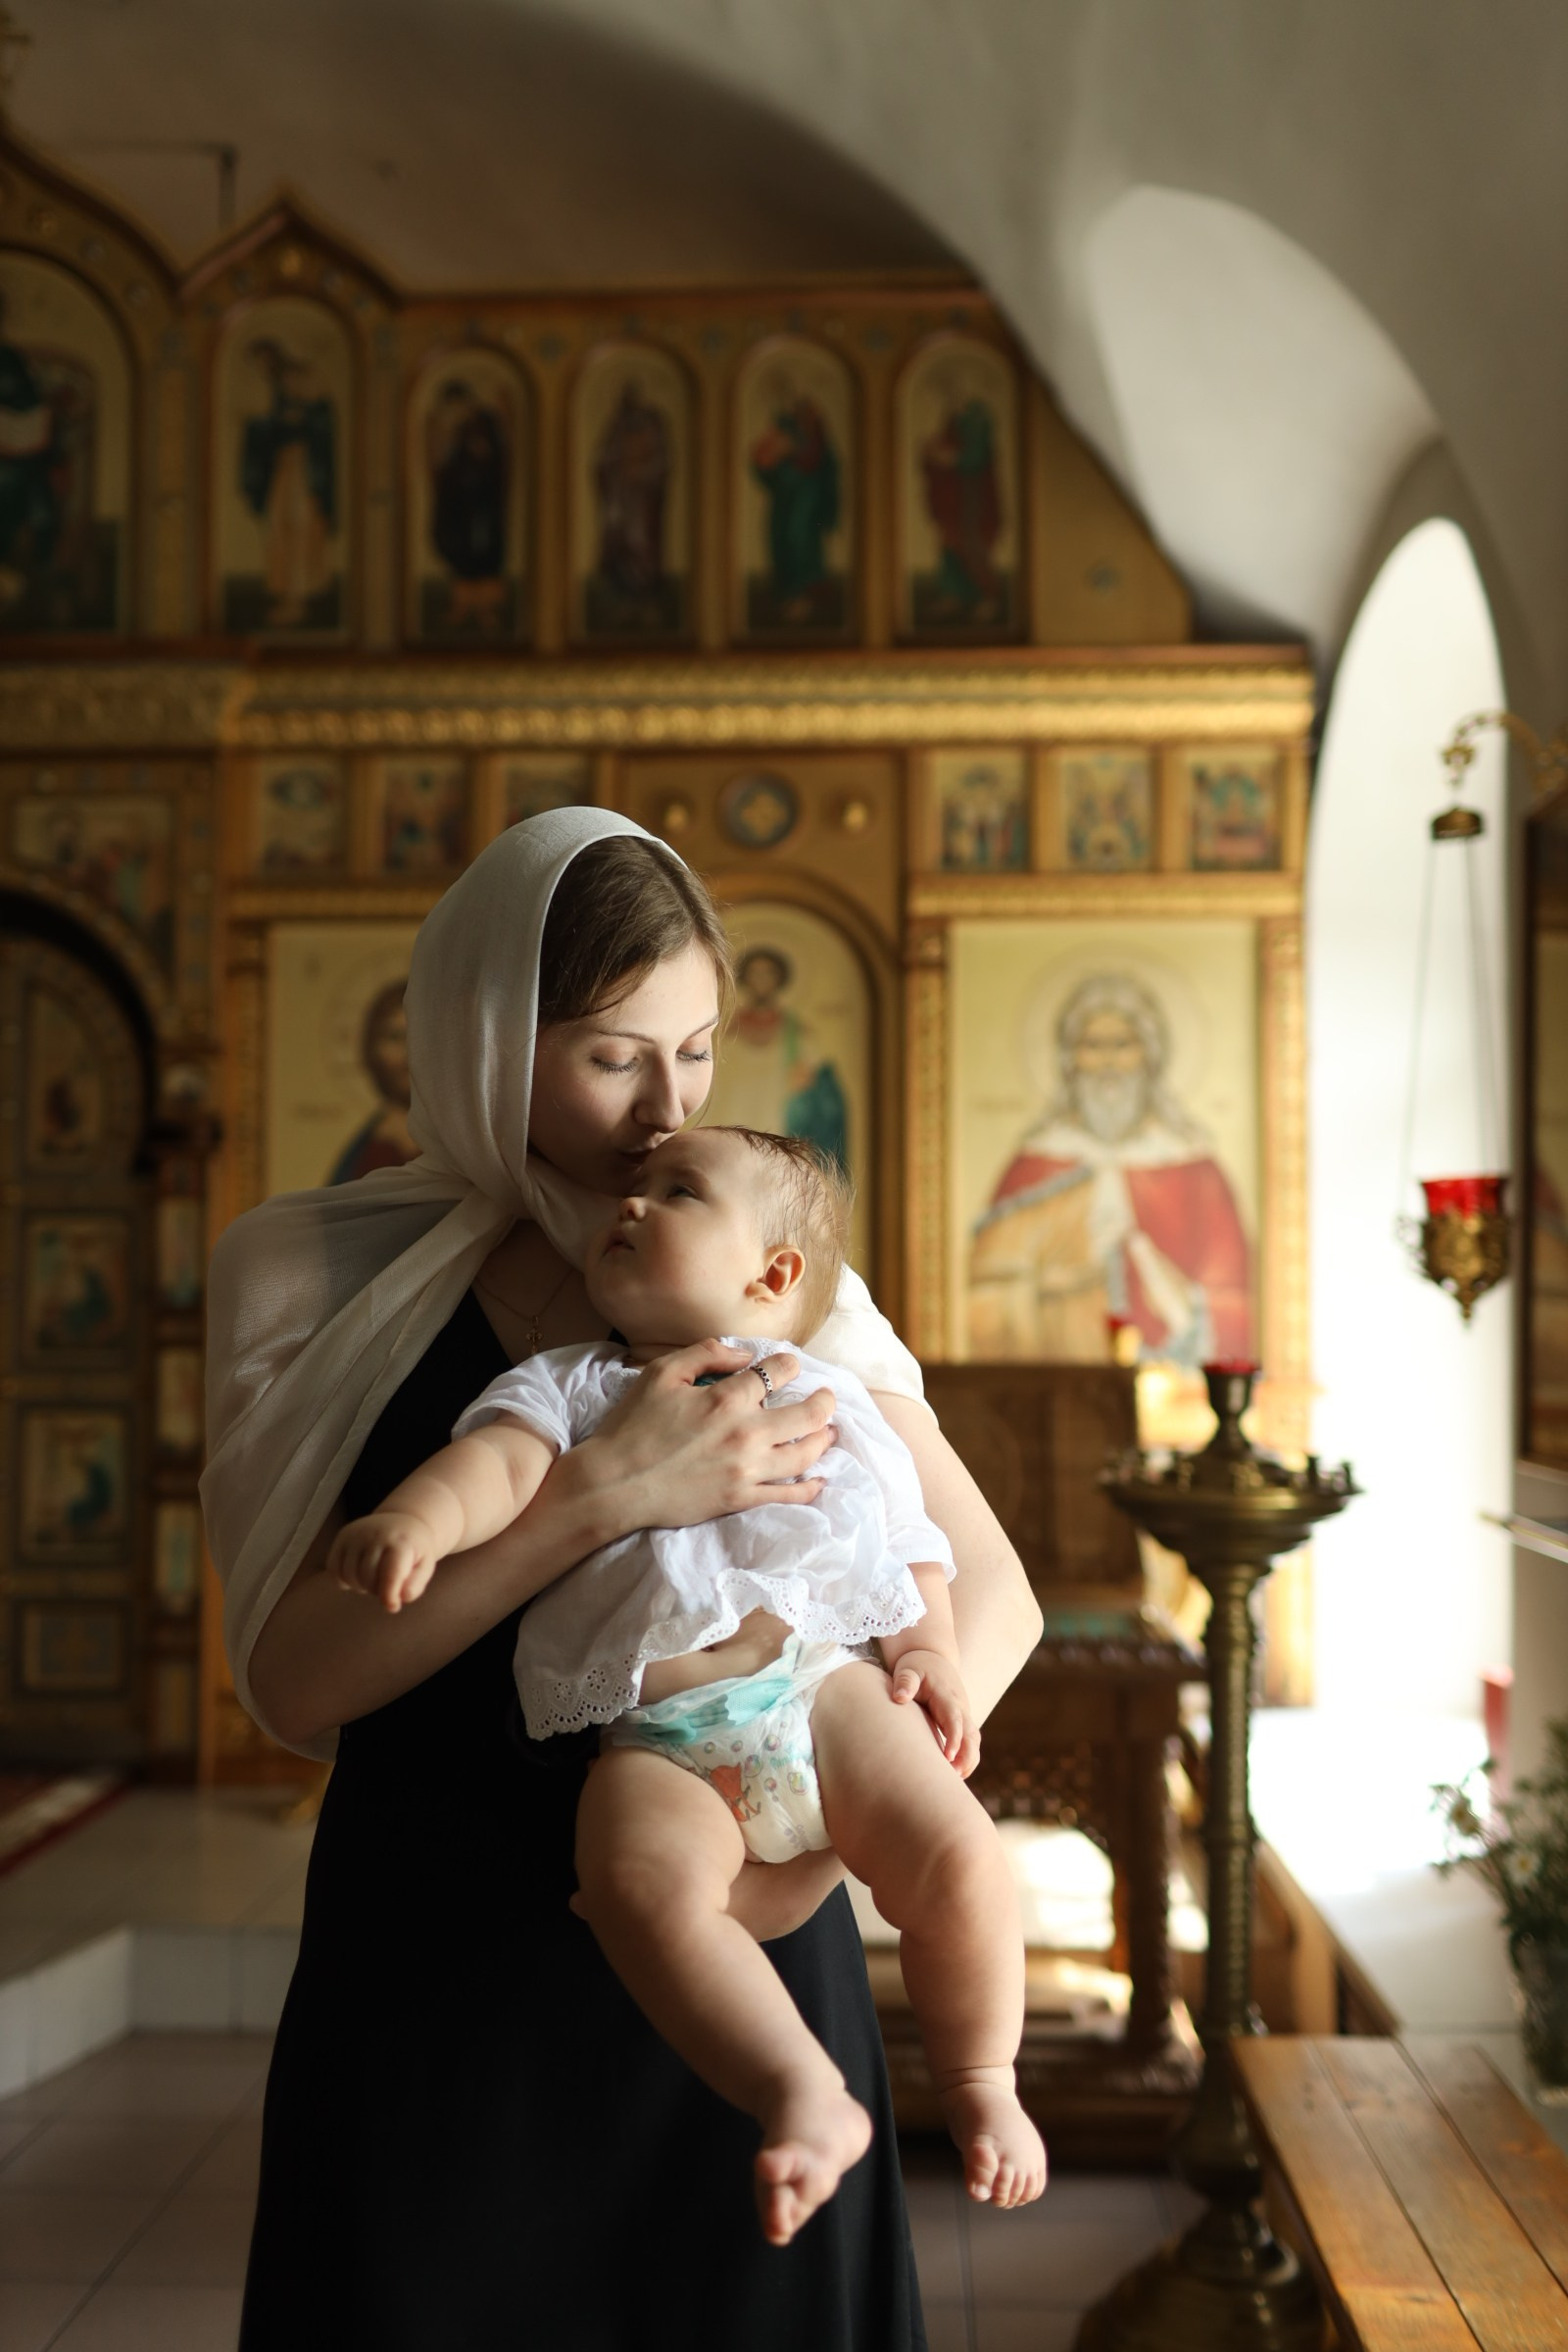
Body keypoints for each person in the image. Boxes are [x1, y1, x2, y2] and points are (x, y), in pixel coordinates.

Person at [199, 807, 1044, 2350]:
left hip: (752, 1958)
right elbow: (295, 1677)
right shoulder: (307, 1270)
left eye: (701, 1049)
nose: (666, 1112)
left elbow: (988, 1588)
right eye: (610, 1055)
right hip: (442, 1952)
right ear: (482, 1034)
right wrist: (594, 1497)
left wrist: (834, 1794)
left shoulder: (771, 1267)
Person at [328, 1124, 1048, 2246]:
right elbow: (494, 1468)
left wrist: (930, 1648)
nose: (629, 1203)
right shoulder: (569, 1383)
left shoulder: (823, 1391)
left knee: (958, 1855)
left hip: (824, 1689)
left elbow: (908, 1534)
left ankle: (981, 2076)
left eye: (677, 1192)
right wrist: (415, 1523)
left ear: (771, 1274)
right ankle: (798, 2093)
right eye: (635, 1189)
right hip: (656, 1735)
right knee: (636, 1889)